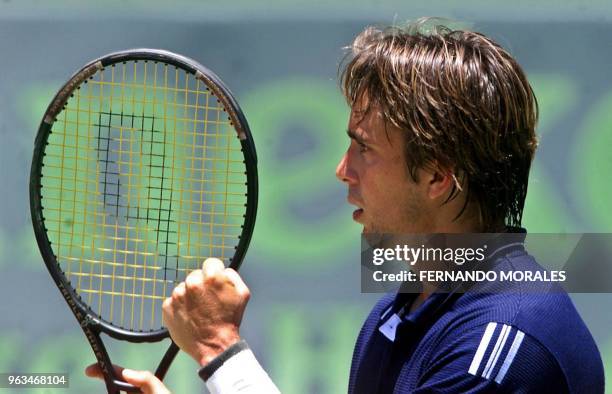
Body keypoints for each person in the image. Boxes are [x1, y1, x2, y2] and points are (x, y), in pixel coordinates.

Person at [86, 18, 605, 393]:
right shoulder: (399, 313)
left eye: (365, 148)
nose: (342, 169)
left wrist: (220, 350)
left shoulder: (500, 347)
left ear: (439, 176)